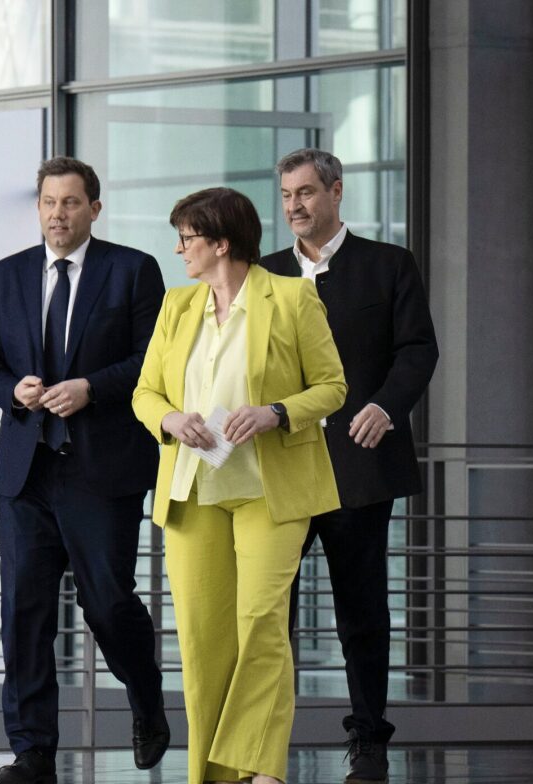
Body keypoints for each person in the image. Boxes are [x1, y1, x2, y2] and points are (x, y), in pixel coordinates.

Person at [132, 187, 347, 784]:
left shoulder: (293, 297)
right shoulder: (177, 307)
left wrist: (275, 412)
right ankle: (212, 773)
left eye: (188, 239)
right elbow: (145, 393)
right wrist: (171, 420)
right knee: (202, 641)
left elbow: (332, 387)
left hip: (271, 492)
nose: (179, 250)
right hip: (192, 492)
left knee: (260, 622)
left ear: (221, 243)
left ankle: (263, 769)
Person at [0, 156, 169, 784]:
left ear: (94, 209)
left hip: (100, 470)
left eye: (71, 203)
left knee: (108, 603)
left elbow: (153, 361)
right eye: (49, 203)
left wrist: (90, 388)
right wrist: (13, 390)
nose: (59, 214)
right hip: (26, 471)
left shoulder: (133, 271)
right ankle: (33, 753)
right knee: (23, 614)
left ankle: (144, 694)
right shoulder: (6, 276)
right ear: (38, 208)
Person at [263, 148, 439, 784]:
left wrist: (387, 407)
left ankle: (369, 740)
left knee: (360, 609)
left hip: (359, 464)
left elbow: (418, 349)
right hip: (281, 467)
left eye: (306, 193)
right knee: (268, 608)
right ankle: (262, 746)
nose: (294, 207)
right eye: (286, 195)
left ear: (337, 192)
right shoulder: (267, 273)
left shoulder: (389, 265)